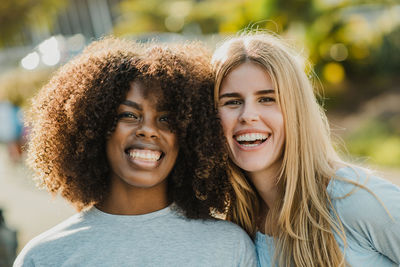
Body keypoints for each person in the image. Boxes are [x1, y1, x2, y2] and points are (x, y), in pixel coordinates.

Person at [14, 37, 256, 266]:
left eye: (166, 118)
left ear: (190, 135)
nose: (148, 130)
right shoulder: (45, 257)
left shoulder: (229, 246)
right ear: (94, 128)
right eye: (129, 115)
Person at [211, 32, 400, 267]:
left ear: (297, 110)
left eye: (267, 99)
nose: (248, 115)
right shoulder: (233, 229)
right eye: (232, 101)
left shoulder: (354, 199)